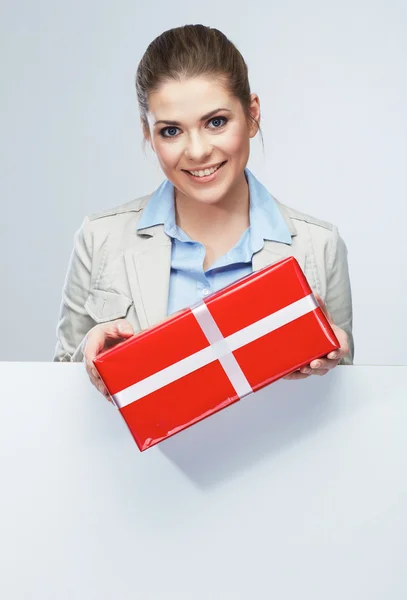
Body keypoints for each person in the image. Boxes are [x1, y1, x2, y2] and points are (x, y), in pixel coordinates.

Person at [53, 24, 353, 400]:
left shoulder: (319, 246)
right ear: (148, 134)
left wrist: (333, 361)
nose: (196, 152)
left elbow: (340, 408)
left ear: (252, 114)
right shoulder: (99, 239)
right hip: (139, 459)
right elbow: (60, 397)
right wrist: (90, 361)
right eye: (171, 131)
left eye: (216, 122)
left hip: (281, 456)